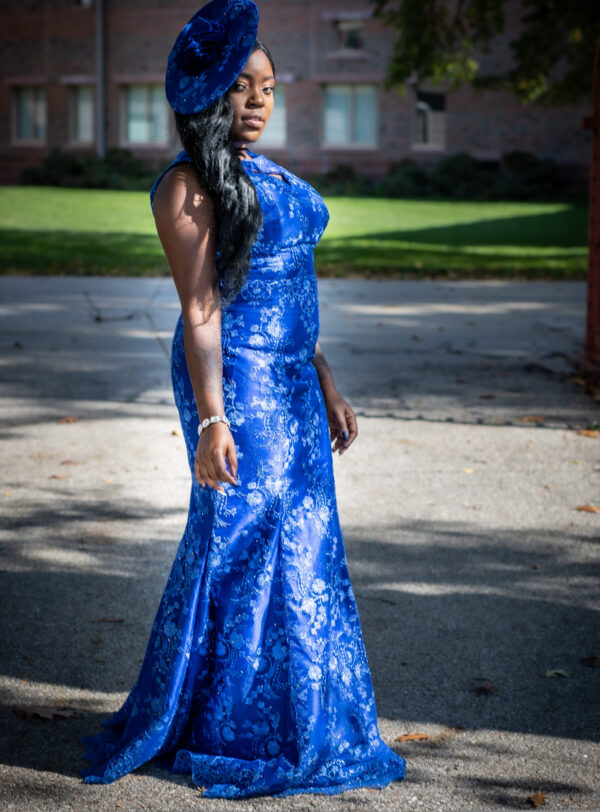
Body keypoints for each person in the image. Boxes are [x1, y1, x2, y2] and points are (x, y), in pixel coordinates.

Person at [80, 0, 407, 799]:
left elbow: (292, 295)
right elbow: (202, 311)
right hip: (238, 386)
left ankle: (306, 716)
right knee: (244, 544)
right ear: (209, 96)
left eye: (268, 86)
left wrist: (328, 381)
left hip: (295, 383)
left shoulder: (272, 178)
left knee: (305, 544)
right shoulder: (187, 190)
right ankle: (227, 721)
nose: (259, 101)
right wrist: (213, 418)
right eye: (242, 87)